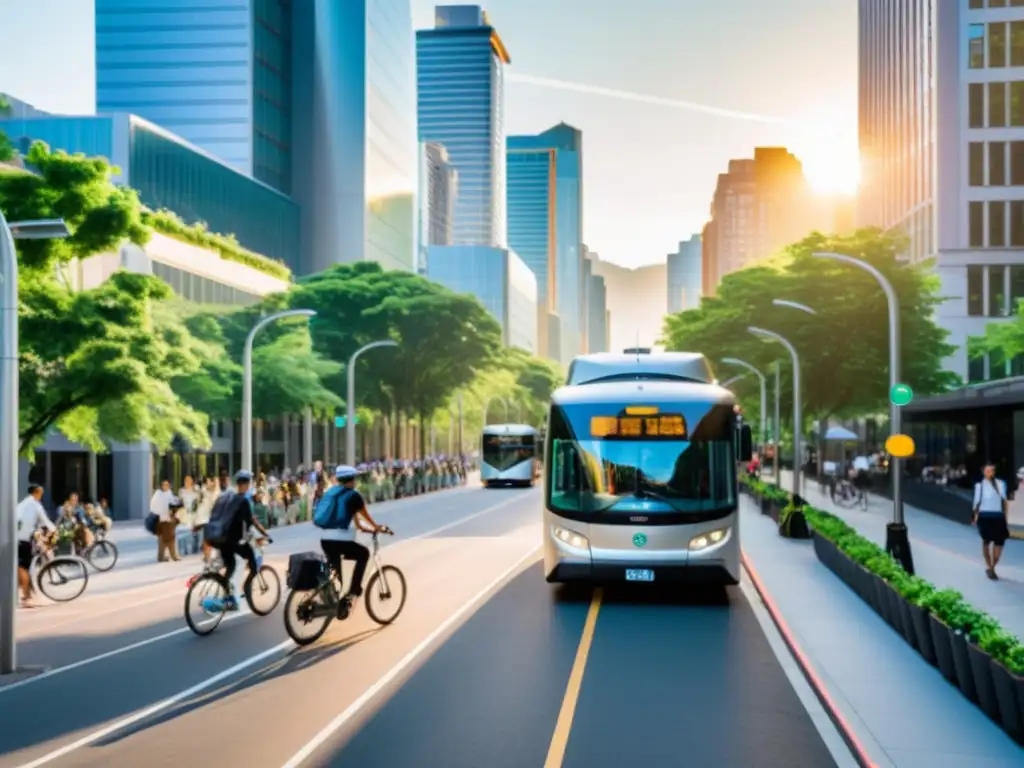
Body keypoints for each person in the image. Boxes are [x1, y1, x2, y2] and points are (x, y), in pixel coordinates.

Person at [317, 465, 388, 618]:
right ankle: (354, 591)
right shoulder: (354, 496)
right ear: (352, 480)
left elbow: (357, 523)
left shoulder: (332, 493)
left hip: (326, 541)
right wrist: (376, 527)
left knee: (337, 571)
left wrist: (367, 529)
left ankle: (337, 602)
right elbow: (365, 516)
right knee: (363, 553)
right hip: (341, 541)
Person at [206, 470, 271, 611]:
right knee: (253, 565)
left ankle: (228, 595)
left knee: (231, 565)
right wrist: (265, 534)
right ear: (247, 484)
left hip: (220, 540)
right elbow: (251, 522)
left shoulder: (228, 498)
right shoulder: (243, 501)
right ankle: (245, 590)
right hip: (233, 541)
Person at [16, 484, 55, 607]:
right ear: (36, 492)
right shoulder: (35, 505)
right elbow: (45, 520)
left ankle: (25, 593)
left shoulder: (23, 503)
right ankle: (26, 597)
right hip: (23, 539)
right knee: (23, 567)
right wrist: (54, 530)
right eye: (40, 493)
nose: (41, 496)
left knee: (21, 566)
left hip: (18, 538)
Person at [972, 464, 1010, 580]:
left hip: (998, 516)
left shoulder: (1000, 484)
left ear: (994, 472)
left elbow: (1004, 501)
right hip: (985, 516)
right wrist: (974, 516)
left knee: (999, 542)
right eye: (987, 470)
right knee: (986, 541)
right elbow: (976, 502)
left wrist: (1006, 517)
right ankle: (990, 567)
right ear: (983, 472)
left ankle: (993, 566)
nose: (989, 472)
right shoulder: (980, 485)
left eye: (991, 470)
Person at [150, 479, 179, 562]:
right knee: (162, 540)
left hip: (169, 520)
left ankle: (173, 555)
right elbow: (153, 506)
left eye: (167, 485)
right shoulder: (157, 494)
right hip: (161, 520)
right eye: (164, 485)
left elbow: (174, 505)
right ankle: (161, 557)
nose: (165, 486)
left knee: (171, 538)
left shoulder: (170, 494)